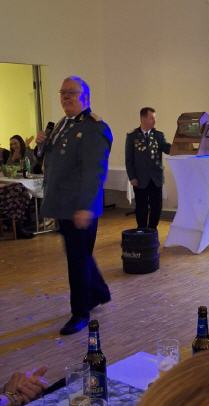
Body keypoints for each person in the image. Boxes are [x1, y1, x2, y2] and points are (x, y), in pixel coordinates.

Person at [35, 76, 112, 335]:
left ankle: (80, 313)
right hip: (62, 204)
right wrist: (40, 144)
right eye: (63, 92)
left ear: (85, 97)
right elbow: (49, 159)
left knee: (77, 261)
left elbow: (94, 172)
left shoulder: (94, 128)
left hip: (79, 207)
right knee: (80, 255)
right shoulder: (62, 124)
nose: (66, 97)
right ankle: (99, 292)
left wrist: (85, 207)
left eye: (72, 92)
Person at [125, 107, 171, 229]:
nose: (154, 121)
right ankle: (142, 230)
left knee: (157, 206)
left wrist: (180, 146)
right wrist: (132, 177)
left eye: (154, 118)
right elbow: (129, 159)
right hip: (140, 178)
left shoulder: (158, 135)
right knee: (141, 206)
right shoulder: (132, 136)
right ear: (143, 119)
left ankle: (152, 229)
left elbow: (167, 148)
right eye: (152, 118)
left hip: (156, 178)